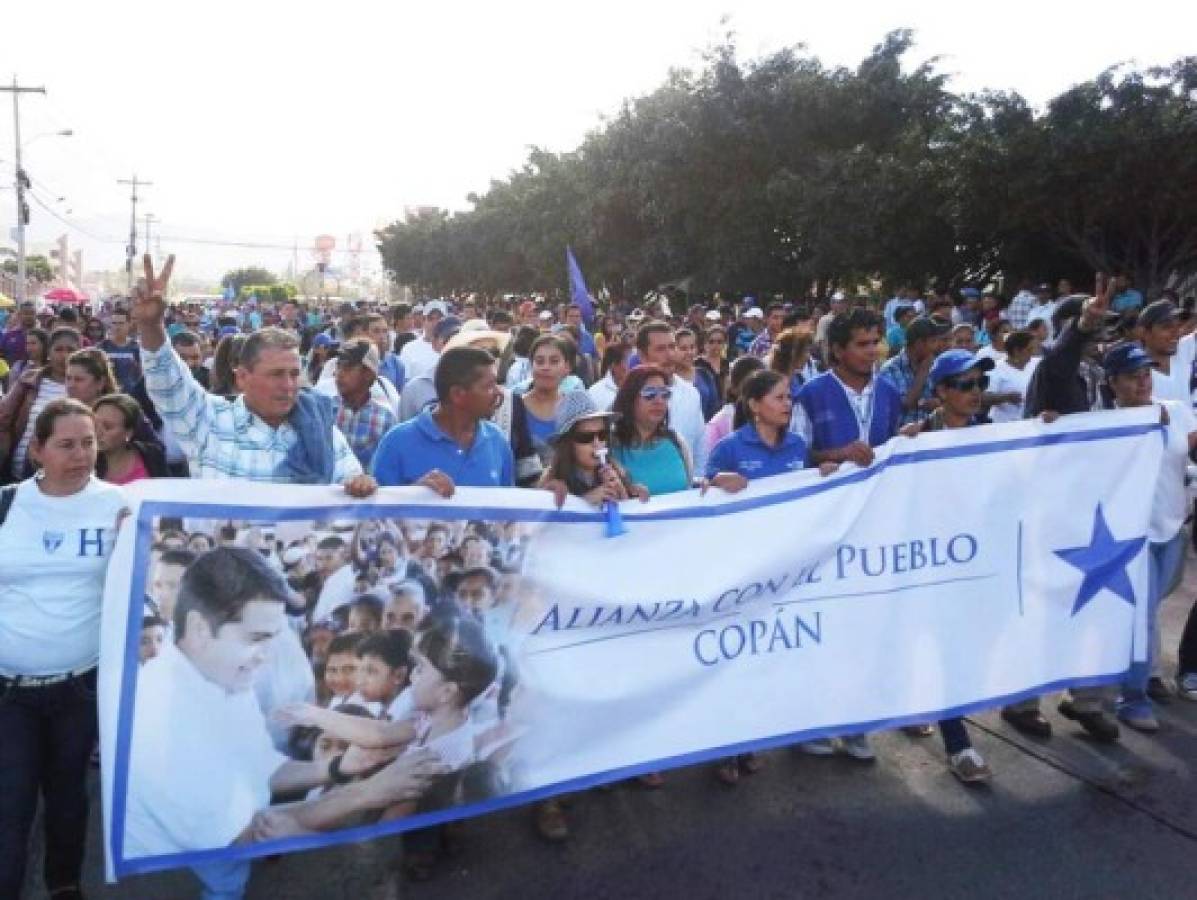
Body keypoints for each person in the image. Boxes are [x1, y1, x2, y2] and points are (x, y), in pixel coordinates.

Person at [0, 398, 128, 900]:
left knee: (69, 797)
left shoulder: (122, 506)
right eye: (66, 445)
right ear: (36, 450)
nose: (80, 455)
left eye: (89, 443)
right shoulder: (7, 504)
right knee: (10, 803)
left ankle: (64, 884)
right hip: (9, 692)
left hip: (80, 687)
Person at [1003, 276, 1123, 741]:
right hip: (1048, 503)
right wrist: (1081, 327)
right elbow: (1062, 357)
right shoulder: (1054, 367)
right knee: (1042, 601)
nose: (1104, 336)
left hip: (1092, 503)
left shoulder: (1098, 375)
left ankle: (1088, 699)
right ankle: (1022, 700)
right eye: (1096, 328)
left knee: (1097, 597)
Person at [134, 257, 371, 491]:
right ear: (242, 377)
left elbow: (349, 482)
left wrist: (359, 485)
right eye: (276, 374)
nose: (289, 385)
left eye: (294, 374)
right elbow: (167, 382)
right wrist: (151, 326)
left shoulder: (319, 427)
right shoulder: (208, 421)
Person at [1100, 344, 1196, 729]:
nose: (1142, 381)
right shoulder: (1101, 425)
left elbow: (1190, 450)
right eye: (1131, 375)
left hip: (1172, 529)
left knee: (1147, 612)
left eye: (1145, 373)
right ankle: (1132, 698)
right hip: (1130, 537)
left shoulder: (1174, 410)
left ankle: (1113, 678)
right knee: (1141, 617)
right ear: (1113, 383)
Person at [372, 347, 514, 494]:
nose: (499, 392)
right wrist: (413, 495)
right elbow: (377, 510)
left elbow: (507, 508)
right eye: (489, 386)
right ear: (457, 394)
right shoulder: (396, 442)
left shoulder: (497, 440)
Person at [0, 326, 80, 483]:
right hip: (19, 470)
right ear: (49, 352)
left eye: (71, 350)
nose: (64, 355)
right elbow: (5, 416)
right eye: (58, 349)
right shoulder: (30, 379)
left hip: (63, 472)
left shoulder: (83, 385)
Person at [609, 365, 691, 497]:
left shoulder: (677, 442)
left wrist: (705, 485)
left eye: (665, 394)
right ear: (630, 398)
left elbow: (689, 486)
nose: (659, 401)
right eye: (649, 394)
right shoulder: (609, 446)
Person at [331, 339, 398, 469]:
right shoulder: (325, 411)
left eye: (348, 368)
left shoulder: (385, 419)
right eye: (338, 366)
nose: (339, 374)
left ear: (368, 374)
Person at [879, 316, 950, 427]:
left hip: (930, 435)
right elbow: (905, 404)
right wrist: (923, 371)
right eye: (933, 341)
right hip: (901, 437)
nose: (937, 345)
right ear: (919, 344)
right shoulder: (890, 369)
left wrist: (936, 402)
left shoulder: (934, 364)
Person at [94, 393, 170, 483]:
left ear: (128, 433)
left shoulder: (152, 455)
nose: (97, 432)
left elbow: (167, 491)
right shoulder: (84, 461)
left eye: (108, 427)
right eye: (94, 424)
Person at [984, 331, 1037, 424]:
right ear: (1017, 351)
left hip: (1031, 421)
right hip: (1004, 424)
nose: (1032, 353)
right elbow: (984, 397)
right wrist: (1006, 397)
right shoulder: (996, 369)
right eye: (1029, 349)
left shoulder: (1037, 363)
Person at [675, 327, 720, 421]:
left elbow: (714, 411)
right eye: (683, 348)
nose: (689, 352)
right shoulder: (667, 379)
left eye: (692, 347)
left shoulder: (704, 375)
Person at [97, 307, 142, 392]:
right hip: (108, 394)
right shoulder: (102, 347)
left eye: (121, 323)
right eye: (114, 323)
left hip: (131, 395)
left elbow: (142, 374)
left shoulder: (137, 348)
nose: (117, 327)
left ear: (129, 324)